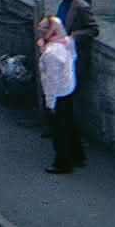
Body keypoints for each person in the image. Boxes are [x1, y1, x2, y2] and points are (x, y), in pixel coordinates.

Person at [37, 16, 85, 173]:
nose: (40, 30)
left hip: (58, 94)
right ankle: (78, 157)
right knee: (71, 125)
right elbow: (74, 56)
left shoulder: (50, 54)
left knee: (59, 131)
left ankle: (63, 163)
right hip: (68, 88)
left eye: (44, 28)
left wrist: (50, 104)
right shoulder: (67, 42)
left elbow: (51, 81)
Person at [52, 0, 100, 90]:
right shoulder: (63, 3)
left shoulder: (81, 6)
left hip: (75, 55)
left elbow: (94, 30)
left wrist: (75, 36)